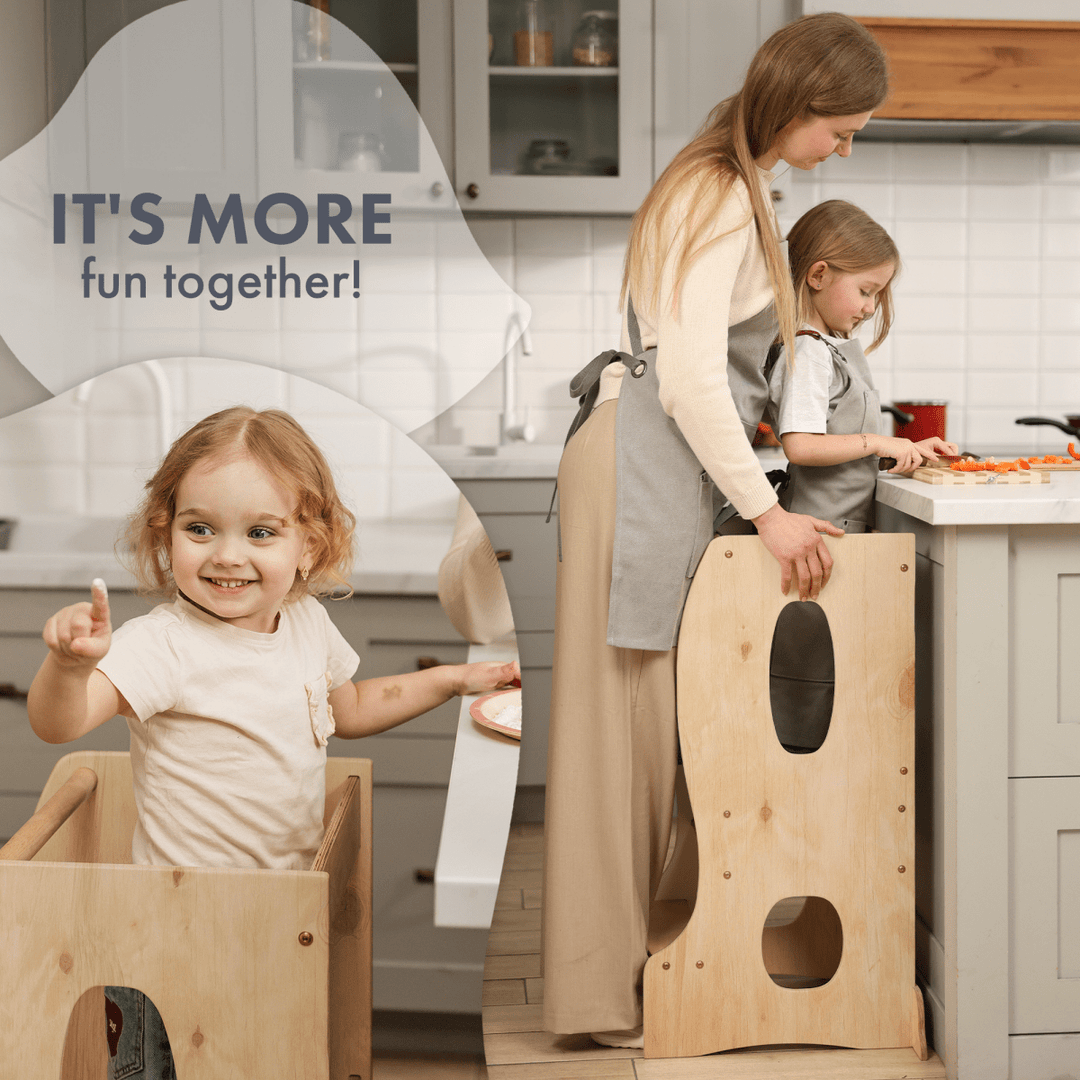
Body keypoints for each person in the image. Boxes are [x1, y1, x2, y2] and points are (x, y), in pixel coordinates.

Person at [542, 12, 890, 1048]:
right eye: (842, 129)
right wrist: (770, 513)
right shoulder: (720, 194)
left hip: (655, 466)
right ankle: (593, 999)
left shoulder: (732, 183)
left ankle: (637, 971)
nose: (844, 150)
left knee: (650, 734)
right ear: (798, 103)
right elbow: (691, 380)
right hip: (641, 464)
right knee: (621, 743)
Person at [26, 406, 519, 1080]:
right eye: (201, 528)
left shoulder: (305, 622)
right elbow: (60, 724)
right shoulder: (163, 644)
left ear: (308, 546)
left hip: (276, 915)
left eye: (260, 532)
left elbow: (350, 707)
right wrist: (67, 667)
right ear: (166, 534)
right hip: (175, 930)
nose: (227, 555)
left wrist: (452, 680)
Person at [767, 198, 958, 532]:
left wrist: (904, 449)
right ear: (818, 275)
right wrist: (880, 441)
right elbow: (801, 445)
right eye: (866, 291)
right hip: (818, 531)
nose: (870, 308)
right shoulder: (809, 351)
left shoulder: (827, 348)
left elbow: (841, 446)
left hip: (836, 526)